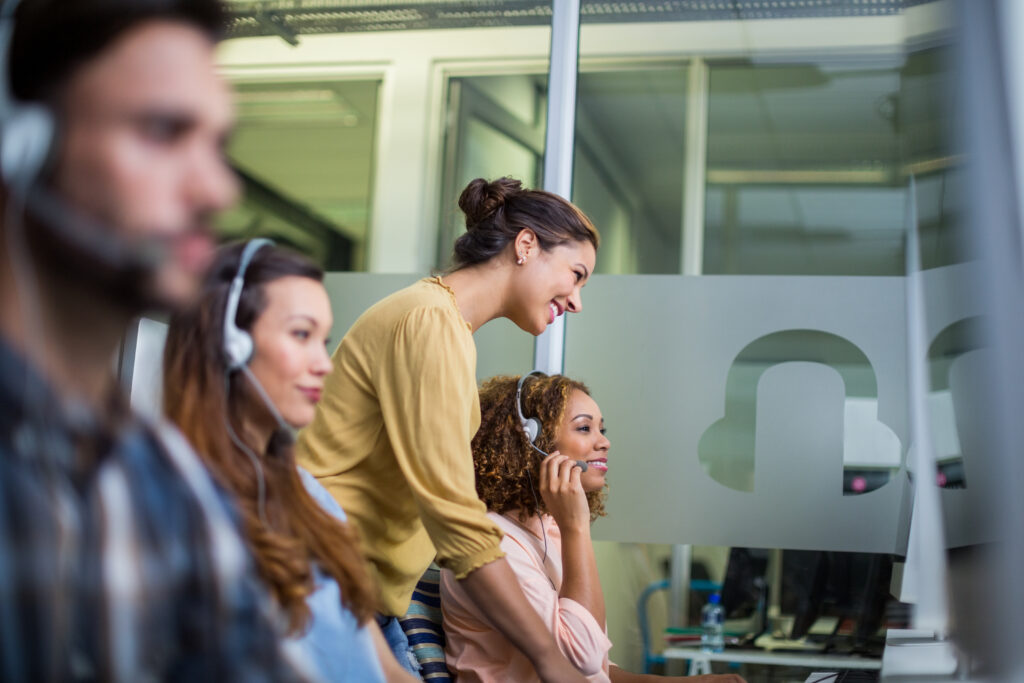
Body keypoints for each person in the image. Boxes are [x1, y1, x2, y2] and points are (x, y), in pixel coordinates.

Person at [0, 0, 302, 680]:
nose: (217, 187)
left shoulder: (164, 477)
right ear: (19, 145)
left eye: (218, 146)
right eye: (163, 132)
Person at [297, 176, 599, 680]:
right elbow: (453, 514)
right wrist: (550, 659)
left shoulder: (448, 328)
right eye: (576, 273)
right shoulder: (428, 322)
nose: (576, 301)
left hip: (355, 598)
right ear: (526, 245)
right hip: (319, 590)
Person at [163, 240, 419, 683]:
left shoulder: (311, 499)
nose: (324, 364)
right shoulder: (173, 503)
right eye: (302, 335)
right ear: (229, 344)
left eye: (325, 341)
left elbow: (384, 670)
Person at [439, 373, 746, 683]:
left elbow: (596, 672)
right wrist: (577, 527)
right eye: (585, 428)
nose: (604, 441)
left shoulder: (549, 531)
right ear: (530, 442)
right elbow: (580, 658)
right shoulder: (495, 542)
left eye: (602, 428)